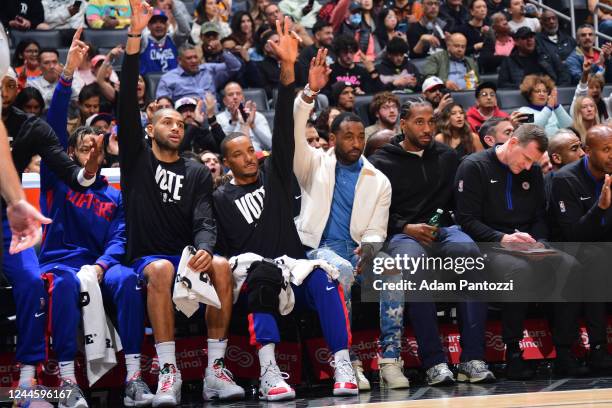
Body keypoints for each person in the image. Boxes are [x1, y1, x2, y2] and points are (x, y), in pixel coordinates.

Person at [213, 18, 357, 400]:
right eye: (239, 154)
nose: (249, 157)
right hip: (252, 273)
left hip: (293, 263)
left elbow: (281, 127)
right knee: (260, 274)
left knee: (325, 280)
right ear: (226, 162)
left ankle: (342, 363)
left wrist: (288, 70)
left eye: (250, 151)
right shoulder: (219, 198)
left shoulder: (274, 176)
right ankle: (268, 372)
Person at [118, 1, 243, 404]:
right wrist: (134, 39)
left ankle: (214, 371)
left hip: (186, 256)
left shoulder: (195, 171)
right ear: (150, 127)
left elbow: (205, 220)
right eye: (166, 122)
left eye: (179, 122)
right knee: (157, 268)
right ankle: (168, 373)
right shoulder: (137, 160)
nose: (174, 126)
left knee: (222, 263)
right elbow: (124, 103)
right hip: (148, 259)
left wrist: (205, 249)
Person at [39, 30, 152, 407]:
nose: (90, 153)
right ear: (69, 152)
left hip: (101, 265)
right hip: (61, 265)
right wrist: (68, 73)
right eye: (83, 147)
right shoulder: (57, 178)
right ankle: (67, 381)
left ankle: (135, 376)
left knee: (130, 280)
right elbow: (52, 126)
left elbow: (120, 237)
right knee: (68, 285)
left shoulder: (113, 194)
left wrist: (104, 265)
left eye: (96, 148)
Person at [369, 98, 495, 387]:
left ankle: (472, 359)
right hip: (402, 233)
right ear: (403, 125)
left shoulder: (447, 156)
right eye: (419, 122)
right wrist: (406, 227)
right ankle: (434, 362)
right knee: (414, 265)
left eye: (431, 122)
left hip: (444, 230)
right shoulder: (381, 162)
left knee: (470, 254)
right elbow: (373, 214)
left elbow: (460, 205)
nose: (427, 129)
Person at [293, 49, 392, 391]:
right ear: (333, 139)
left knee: (394, 269)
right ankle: (348, 361)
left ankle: (391, 358)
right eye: (348, 137)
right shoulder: (313, 165)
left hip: (357, 249)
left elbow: (378, 229)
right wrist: (309, 92)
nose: (356, 143)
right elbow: (294, 127)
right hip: (317, 249)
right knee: (343, 271)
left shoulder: (379, 179)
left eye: (360, 136)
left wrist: (370, 251)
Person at [454, 123, 582, 379]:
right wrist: (502, 238)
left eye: (532, 162)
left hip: (525, 243)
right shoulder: (474, 166)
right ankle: (513, 352)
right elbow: (466, 219)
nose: (527, 166)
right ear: (512, 143)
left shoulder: (532, 171)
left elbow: (539, 216)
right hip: (488, 244)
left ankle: (565, 350)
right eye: (525, 158)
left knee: (571, 266)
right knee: (518, 271)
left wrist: (539, 241)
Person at [2, 64, 100, 398]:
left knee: (31, 281)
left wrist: (89, 171)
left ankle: (27, 379)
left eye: (8, 83)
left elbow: (68, 168)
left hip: (6, 221)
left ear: (18, 86)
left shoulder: (30, 127)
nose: (2, 89)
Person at [549, 124, 612, 374]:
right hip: (568, 247)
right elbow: (573, 234)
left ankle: (598, 348)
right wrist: (601, 208)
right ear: (587, 151)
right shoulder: (565, 179)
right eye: (606, 150)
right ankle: (591, 348)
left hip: (603, 246)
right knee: (594, 260)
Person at [156, 43, 241, 101]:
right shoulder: (168, 79)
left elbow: (235, 66)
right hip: (187, 120)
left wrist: (221, 51)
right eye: (189, 58)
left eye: (195, 57)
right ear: (179, 60)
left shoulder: (209, 69)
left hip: (214, 118)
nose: (194, 61)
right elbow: (164, 105)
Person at [498, 27, 571, 89]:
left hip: (549, 93)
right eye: (524, 38)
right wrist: (524, 88)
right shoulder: (509, 61)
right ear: (516, 42)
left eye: (531, 36)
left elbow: (564, 75)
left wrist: (556, 90)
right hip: (523, 97)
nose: (529, 40)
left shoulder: (547, 55)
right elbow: (503, 84)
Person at [216, 82, 272, 151]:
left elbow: (270, 144)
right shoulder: (219, 119)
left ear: (243, 98)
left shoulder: (257, 116)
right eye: (230, 94)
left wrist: (253, 125)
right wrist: (234, 122)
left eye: (238, 94)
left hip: (259, 157)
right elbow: (225, 148)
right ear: (224, 101)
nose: (235, 97)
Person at [139, 8, 190, 75]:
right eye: (154, 22)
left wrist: (174, 8)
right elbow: (134, 33)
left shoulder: (173, 39)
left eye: (162, 22)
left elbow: (185, 31)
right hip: (151, 83)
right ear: (148, 26)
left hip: (174, 82)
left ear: (167, 26)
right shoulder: (144, 41)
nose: (158, 25)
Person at [297, 20, 335, 85]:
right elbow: (304, 77)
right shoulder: (306, 53)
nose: (331, 36)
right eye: (327, 33)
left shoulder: (334, 50)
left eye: (332, 33)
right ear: (317, 35)